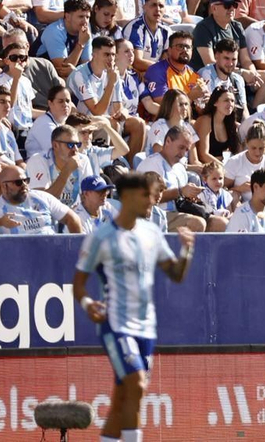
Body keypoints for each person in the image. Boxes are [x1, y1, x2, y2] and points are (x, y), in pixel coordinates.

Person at [71, 170, 195, 442]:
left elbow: (175, 274)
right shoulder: (102, 237)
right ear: (126, 197)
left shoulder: (151, 232)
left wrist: (186, 251)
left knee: (124, 397)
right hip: (115, 323)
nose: (152, 201)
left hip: (146, 326)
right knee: (136, 384)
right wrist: (88, 302)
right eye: (146, 196)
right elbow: (78, 283)